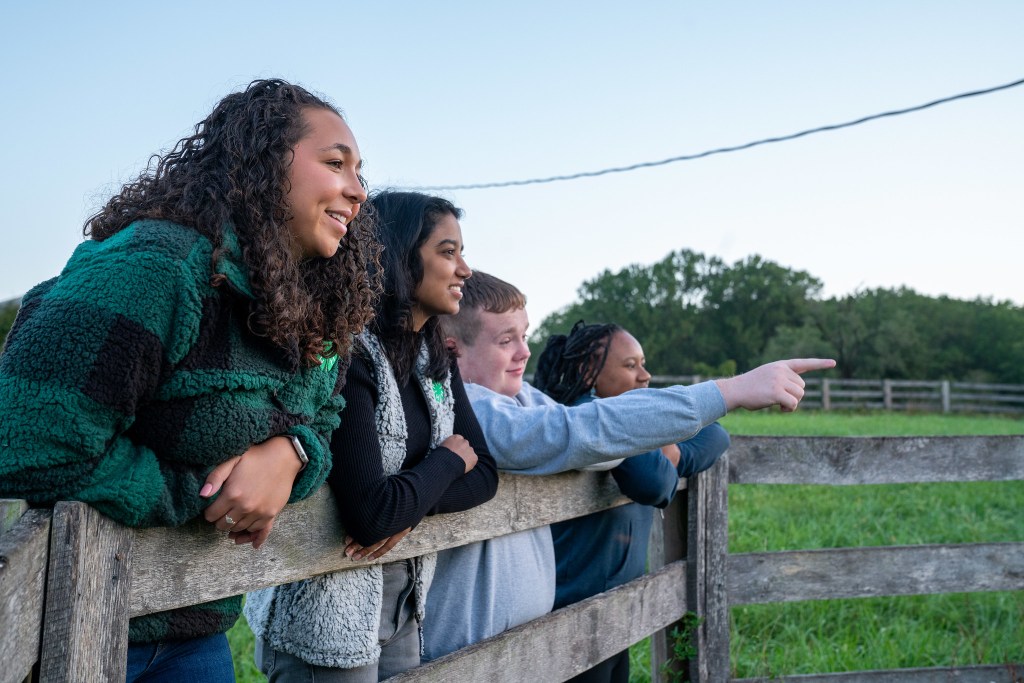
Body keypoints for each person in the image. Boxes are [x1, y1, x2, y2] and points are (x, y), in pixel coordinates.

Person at [0, 79, 379, 681]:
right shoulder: (159, 265)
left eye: (360, 171)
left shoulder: (309, 311)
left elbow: (326, 416)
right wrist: (201, 497)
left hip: (197, 630)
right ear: (262, 161)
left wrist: (292, 453)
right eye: (336, 163)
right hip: (81, 633)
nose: (358, 191)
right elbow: (27, 440)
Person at [421, 271, 834, 663]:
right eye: (506, 340)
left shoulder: (524, 398)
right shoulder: (465, 408)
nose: (525, 351)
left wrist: (647, 443)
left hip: (527, 646)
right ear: (454, 349)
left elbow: (598, 440)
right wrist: (728, 391)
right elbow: (576, 432)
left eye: (524, 336)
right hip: (465, 654)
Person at [245, 191, 498, 682]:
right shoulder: (346, 353)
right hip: (324, 616)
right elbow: (371, 515)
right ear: (402, 256)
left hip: (404, 604)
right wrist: (445, 462)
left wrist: (410, 503)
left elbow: (485, 474)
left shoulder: (435, 361)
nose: (465, 269)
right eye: (448, 252)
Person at [533, 321, 731, 683]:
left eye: (643, 363)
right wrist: (664, 453)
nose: (645, 375)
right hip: (572, 618)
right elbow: (652, 482)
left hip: (614, 611)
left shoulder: (632, 419)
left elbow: (715, 433)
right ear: (588, 370)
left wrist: (668, 452)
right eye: (630, 365)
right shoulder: (580, 418)